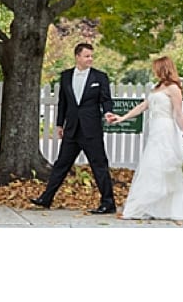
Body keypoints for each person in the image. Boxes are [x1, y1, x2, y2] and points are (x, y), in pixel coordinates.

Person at [108, 55, 183, 221]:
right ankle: (147, 206)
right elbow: (143, 106)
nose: (153, 71)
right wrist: (121, 118)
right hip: (155, 129)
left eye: (156, 68)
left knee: (162, 165)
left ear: (163, 68)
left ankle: (150, 206)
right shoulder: (156, 88)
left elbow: (178, 113)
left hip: (166, 128)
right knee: (151, 166)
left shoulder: (174, 88)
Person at [30, 41, 117, 213]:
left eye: (91, 56)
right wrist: (59, 124)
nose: (90, 59)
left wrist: (108, 112)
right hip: (72, 129)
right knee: (61, 164)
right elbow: (63, 102)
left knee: (99, 165)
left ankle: (108, 202)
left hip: (91, 129)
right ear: (77, 56)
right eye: (86, 56)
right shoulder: (66, 76)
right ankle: (46, 198)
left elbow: (106, 99)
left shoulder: (100, 77)